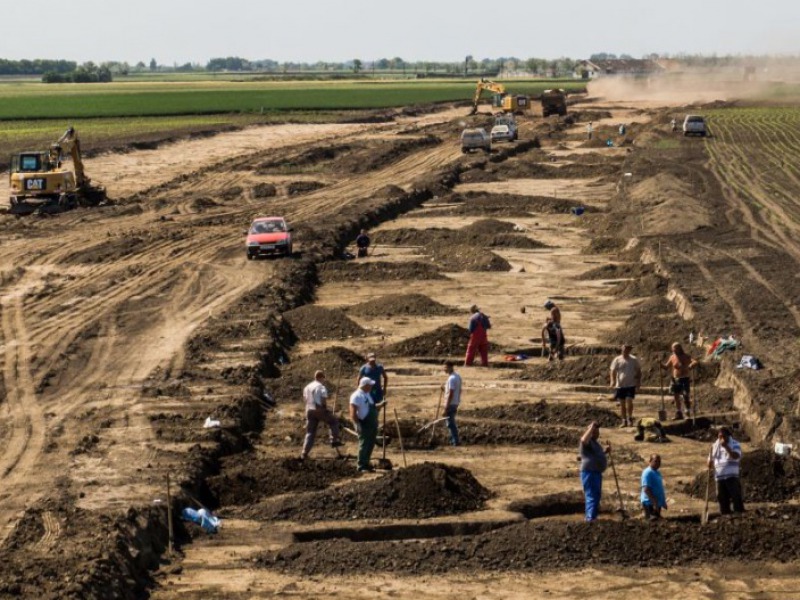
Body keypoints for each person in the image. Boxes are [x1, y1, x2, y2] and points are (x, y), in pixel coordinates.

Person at [300, 370, 342, 460]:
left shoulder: (307, 387)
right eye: (323, 378)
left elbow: (305, 399)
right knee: (333, 420)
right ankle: (334, 440)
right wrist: (325, 409)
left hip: (309, 410)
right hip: (318, 409)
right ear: (321, 377)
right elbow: (323, 400)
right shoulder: (321, 387)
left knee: (310, 432)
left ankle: (304, 453)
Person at [707, 426, 745, 515]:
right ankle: (725, 515)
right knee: (721, 497)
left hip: (731, 476)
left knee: (736, 496)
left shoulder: (735, 444)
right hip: (719, 478)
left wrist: (726, 447)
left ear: (728, 436)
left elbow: (736, 456)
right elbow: (709, 463)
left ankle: (739, 514)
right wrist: (710, 462)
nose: (722, 439)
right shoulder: (714, 447)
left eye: (724, 436)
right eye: (720, 437)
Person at [579, 421, 610, 522]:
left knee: (596, 495)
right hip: (589, 472)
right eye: (594, 431)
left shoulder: (595, 444)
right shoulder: (587, 441)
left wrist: (605, 451)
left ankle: (593, 516)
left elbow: (596, 455)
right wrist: (591, 428)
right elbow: (583, 440)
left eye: (597, 431)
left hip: (596, 473)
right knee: (591, 495)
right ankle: (590, 518)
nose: (597, 433)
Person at [660, 342, 698, 420]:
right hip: (675, 379)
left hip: (684, 378)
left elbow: (695, 361)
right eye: (672, 348)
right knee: (676, 396)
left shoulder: (685, 356)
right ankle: (679, 413)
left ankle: (687, 411)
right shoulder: (672, 357)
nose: (673, 349)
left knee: (685, 395)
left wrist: (691, 365)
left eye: (675, 348)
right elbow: (666, 367)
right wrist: (660, 364)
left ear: (679, 348)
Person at [349, 377, 378, 473]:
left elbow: (371, 407)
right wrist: (357, 424)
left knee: (370, 443)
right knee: (364, 444)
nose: (371, 386)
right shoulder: (356, 396)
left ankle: (366, 463)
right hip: (364, 423)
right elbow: (352, 412)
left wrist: (381, 404)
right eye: (370, 385)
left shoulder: (367, 394)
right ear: (365, 385)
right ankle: (361, 465)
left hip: (372, 423)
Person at [609, 344, 642, 428]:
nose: (625, 351)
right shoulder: (617, 359)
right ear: (622, 350)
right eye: (624, 350)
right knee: (622, 403)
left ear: (629, 350)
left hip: (630, 384)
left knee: (629, 400)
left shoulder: (633, 360)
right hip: (620, 385)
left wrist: (638, 383)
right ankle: (624, 420)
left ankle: (630, 418)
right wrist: (612, 381)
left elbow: (638, 371)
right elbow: (612, 371)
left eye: (627, 350)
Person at [441, 360, 462, 446]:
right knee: (450, 422)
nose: (444, 369)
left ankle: (455, 441)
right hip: (455, 402)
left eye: (445, 367)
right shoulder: (457, 376)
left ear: (450, 367)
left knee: (450, 423)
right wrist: (444, 389)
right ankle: (453, 440)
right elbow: (458, 390)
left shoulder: (452, 379)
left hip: (451, 403)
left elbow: (451, 393)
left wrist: (446, 407)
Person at [640, 454, 667, 520]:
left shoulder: (657, 472)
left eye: (659, 462)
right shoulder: (647, 472)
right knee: (652, 521)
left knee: (657, 520)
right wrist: (654, 503)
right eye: (655, 461)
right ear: (650, 461)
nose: (658, 463)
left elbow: (660, 488)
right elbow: (646, 489)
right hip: (649, 502)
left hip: (657, 503)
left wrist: (663, 502)